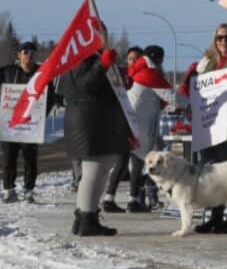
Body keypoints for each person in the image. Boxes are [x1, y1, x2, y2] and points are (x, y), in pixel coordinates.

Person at [57, 22, 131, 236]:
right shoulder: (80, 58)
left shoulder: (89, 57)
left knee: (99, 168)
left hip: (97, 121)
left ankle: (84, 217)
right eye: (95, 33)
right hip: (90, 122)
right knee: (94, 171)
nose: (100, 36)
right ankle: (87, 218)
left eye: (102, 33)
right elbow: (82, 87)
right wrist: (103, 65)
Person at [179, 24, 227, 233]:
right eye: (219, 38)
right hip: (208, 127)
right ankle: (215, 216)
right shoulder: (208, 64)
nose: (223, 42)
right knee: (210, 173)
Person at [118, 45, 181, 212]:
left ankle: (135, 198)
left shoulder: (137, 71)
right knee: (144, 161)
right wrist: (192, 103)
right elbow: (170, 96)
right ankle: (136, 200)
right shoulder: (150, 74)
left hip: (133, 123)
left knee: (137, 162)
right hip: (142, 125)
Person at [2, 42, 57, 204]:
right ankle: (9, 189)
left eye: (32, 52)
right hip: (9, 124)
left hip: (30, 126)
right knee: (9, 158)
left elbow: (50, 97)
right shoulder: (8, 72)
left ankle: (28, 190)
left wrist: (40, 116)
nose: (29, 55)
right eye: (25, 52)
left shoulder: (42, 74)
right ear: (19, 55)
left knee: (29, 158)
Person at [100, 46, 144, 213]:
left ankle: (133, 199)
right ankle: (109, 198)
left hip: (138, 124)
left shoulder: (143, 76)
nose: (133, 62)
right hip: (121, 123)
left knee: (137, 161)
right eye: (131, 58)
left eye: (137, 59)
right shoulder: (119, 73)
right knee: (122, 161)